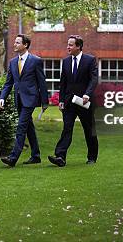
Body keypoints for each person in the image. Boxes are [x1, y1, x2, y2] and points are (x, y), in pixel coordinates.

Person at [0, 34, 49, 167]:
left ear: (25, 45)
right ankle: (36, 155)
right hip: (19, 99)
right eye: (14, 42)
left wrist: (45, 102)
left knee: (21, 126)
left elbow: (42, 82)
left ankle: (13, 157)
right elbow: (8, 83)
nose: (14, 44)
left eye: (17, 42)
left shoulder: (36, 61)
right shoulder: (12, 62)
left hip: (31, 99)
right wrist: (2, 97)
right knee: (28, 127)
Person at [48, 35, 98, 166]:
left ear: (78, 46)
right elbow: (63, 82)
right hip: (69, 102)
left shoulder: (90, 60)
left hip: (84, 101)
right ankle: (60, 156)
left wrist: (87, 94)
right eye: (68, 44)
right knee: (67, 128)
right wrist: (61, 100)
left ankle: (92, 157)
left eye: (70, 45)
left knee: (89, 129)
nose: (68, 47)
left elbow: (93, 80)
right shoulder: (65, 61)